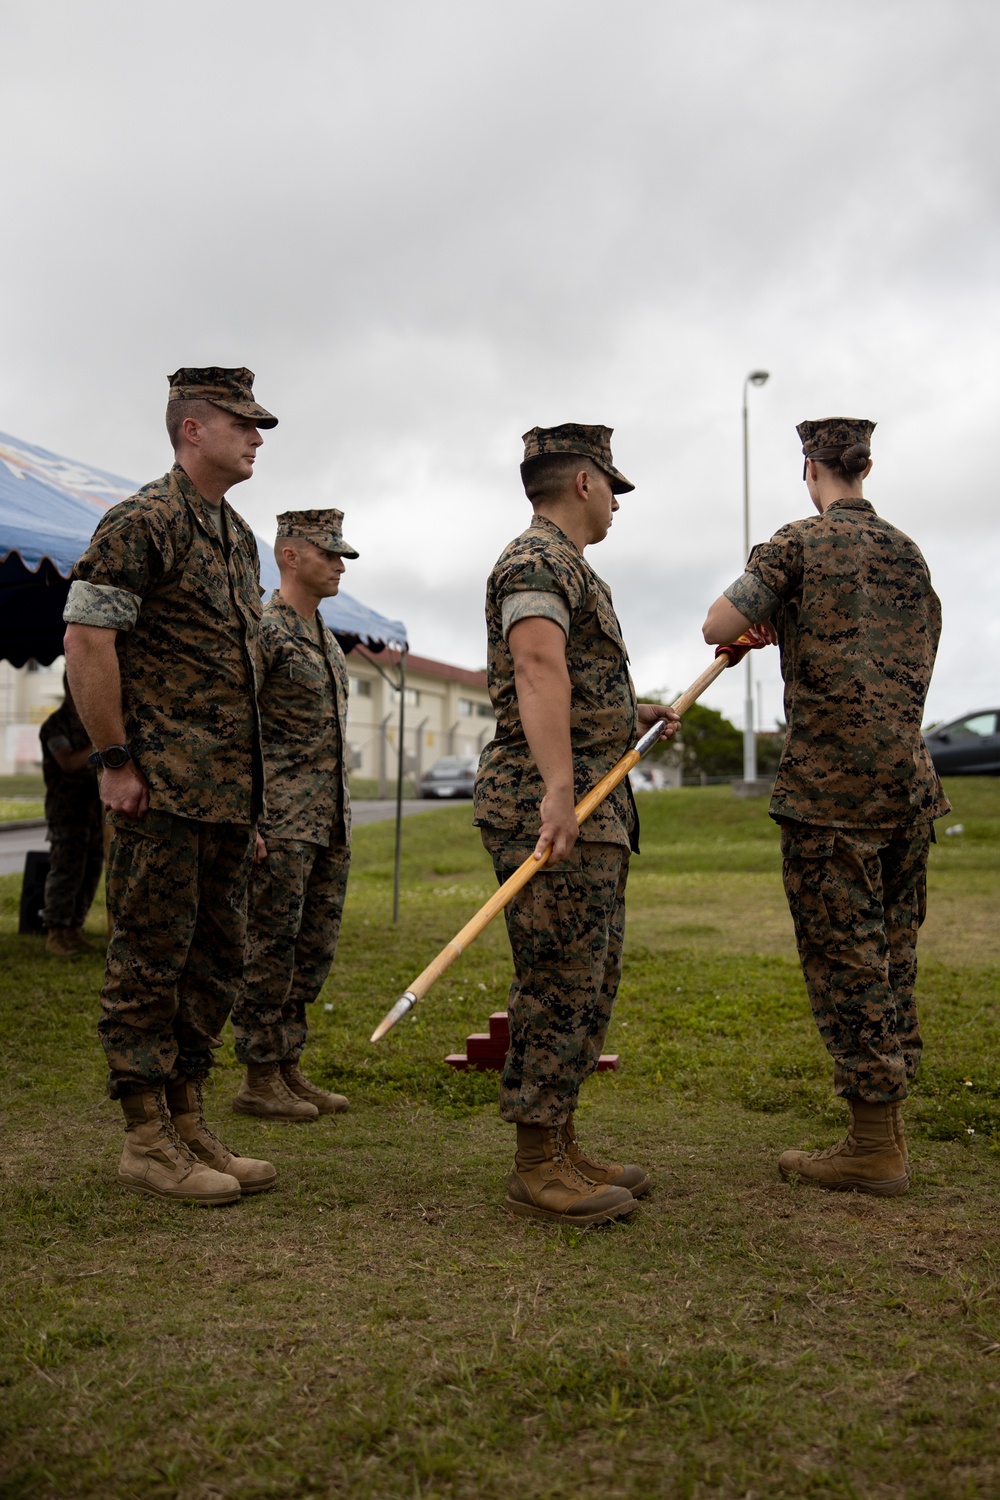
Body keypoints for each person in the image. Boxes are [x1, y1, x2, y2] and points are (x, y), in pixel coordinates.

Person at [703, 417, 949, 1196]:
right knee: (892, 951)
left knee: (845, 960)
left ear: (810, 467)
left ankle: (873, 1147)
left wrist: (768, 624)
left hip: (830, 792)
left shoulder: (798, 542)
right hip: (907, 783)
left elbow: (718, 624)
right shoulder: (909, 552)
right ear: (866, 467)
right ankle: (887, 1130)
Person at [62, 366, 279, 1206]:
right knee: (149, 959)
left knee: (214, 962)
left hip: (226, 797)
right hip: (160, 791)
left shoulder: (236, 536)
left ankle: (188, 1117)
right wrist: (114, 762)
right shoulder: (142, 521)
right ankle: (145, 1135)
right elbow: (88, 641)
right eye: (243, 423)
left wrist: (251, 802)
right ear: (193, 428)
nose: (257, 437)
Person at [475, 423, 680, 1226]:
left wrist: (634, 715)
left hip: (596, 804)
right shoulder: (535, 561)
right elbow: (535, 668)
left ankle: (560, 1140)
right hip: (553, 805)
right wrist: (558, 791)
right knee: (558, 981)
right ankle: (535, 1165)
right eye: (613, 487)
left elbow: (575, 683)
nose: (618, 504)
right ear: (585, 482)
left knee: (589, 982)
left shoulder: (569, 566)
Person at [231, 509, 356, 1122]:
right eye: (329, 553)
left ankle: (286, 1067)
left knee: (312, 950)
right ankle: (257, 1076)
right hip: (279, 823)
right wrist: (248, 819)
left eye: (341, 556)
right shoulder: (265, 629)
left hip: (327, 821)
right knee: (269, 948)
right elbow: (238, 727)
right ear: (289, 555)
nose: (338, 565)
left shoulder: (325, 635)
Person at [38, 676, 103, 957]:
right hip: (67, 812)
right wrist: (103, 746)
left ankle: (74, 930)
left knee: (90, 870)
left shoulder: (93, 723)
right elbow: (68, 762)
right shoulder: (56, 725)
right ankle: (56, 932)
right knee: (66, 870)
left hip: (93, 811)